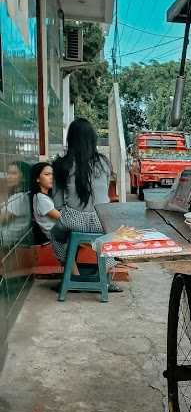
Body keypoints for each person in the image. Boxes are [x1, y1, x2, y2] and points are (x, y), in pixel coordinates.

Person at [52, 118, 122, 291]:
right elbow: (104, 194)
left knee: (55, 235)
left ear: (71, 139)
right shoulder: (104, 163)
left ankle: (72, 276)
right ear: (93, 139)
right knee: (115, 236)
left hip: (72, 219)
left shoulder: (62, 165)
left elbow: (58, 203)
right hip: (102, 220)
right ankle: (103, 278)